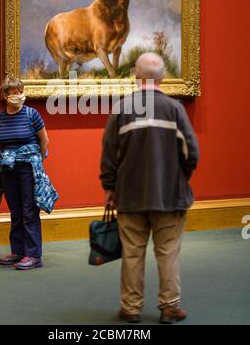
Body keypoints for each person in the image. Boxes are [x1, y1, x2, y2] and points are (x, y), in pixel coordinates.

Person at [100, 52, 199, 324]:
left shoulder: (121, 108)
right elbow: (192, 153)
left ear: (136, 77)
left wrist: (109, 187)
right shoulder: (175, 108)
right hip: (170, 196)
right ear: (162, 78)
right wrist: (181, 177)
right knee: (168, 253)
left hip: (129, 196)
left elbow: (109, 153)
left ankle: (131, 308)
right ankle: (169, 308)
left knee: (132, 253)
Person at [0, 75, 58, 270]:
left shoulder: (32, 114)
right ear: (4, 95)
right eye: (12, 92)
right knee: (16, 210)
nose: (17, 95)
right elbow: (2, 141)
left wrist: (37, 159)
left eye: (19, 91)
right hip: (8, 167)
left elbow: (44, 141)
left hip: (28, 167)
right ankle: (18, 251)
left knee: (29, 210)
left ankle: (33, 255)